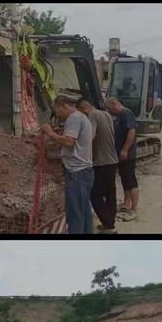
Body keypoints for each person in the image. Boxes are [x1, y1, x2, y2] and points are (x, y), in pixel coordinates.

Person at [41, 96, 94, 234]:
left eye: (57, 111)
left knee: (75, 214)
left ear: (63, 106)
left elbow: (69, 142)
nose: (57, 115)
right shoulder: (82, 117)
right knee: (84, 212)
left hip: (77, 173)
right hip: (84, 172)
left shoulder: (74, 118)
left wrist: (50, 133)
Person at [76, 98, 118, 234]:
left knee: (95, 195)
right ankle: (110, 222)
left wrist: (76, 144)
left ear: (83, 109)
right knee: (110, 193)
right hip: (112, 160)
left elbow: (91, 136)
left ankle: (109, 226)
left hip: (102, 161)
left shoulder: (92, 115)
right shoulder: (106, 114)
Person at [104, 97, 139, 222]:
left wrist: (125, 149)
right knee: (125, 179)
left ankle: (134, 209)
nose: (109, 111)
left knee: (130, 180)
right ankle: (126, 203)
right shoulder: (120, 116)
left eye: (109, 108)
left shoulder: (126, 113)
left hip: (127, 154)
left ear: (115, 104)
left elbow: (131, 132)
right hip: (121, 154)